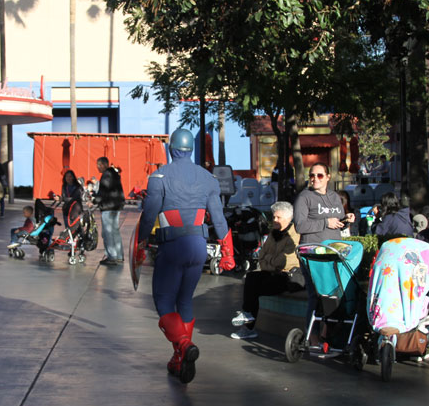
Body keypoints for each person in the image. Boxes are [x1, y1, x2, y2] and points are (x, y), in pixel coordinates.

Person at [138, 128, 229, 384]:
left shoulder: (159, 177)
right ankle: (178, 358)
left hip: (172, 247)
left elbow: (149, 215)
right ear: (191, 150)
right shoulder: (208, 178)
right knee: (185, 301)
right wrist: (227, 251)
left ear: (171, 148)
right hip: (199, 248)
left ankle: (184, 344)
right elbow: (219, 219)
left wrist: (141, 240)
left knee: (164, 302)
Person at [230, 201, 300, 340]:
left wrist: (270, 261)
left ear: (288, 219)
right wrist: (271, 261)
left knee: (255, 288)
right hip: (272, 272)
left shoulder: (294, 235)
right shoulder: (274, 234)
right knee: (251, 278)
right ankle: (248, 317)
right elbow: (261, 257)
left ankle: (248, 322)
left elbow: (284, 262)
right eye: (273, 217)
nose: (274, 220)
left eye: (278, 218)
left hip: (287, 276)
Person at [292, 163, 345, 336]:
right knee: (316, 295)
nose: (315, 179)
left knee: (332, 295)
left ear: (328, 177)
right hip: (312, 253)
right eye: (312, 175)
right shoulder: (304, 197)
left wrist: (348, 219)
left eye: (320, 175)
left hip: (333, 253)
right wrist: (325, 222)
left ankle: (328, 334)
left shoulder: (334, 196)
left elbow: (338, 221)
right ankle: (312, 336)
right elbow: (299, 226)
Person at [94, 156, 125, 265]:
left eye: (98, 165)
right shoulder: (115, 174)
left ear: (102, 165)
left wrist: (94, 201)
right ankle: (119, 255)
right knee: (115, 231)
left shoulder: (106, 175)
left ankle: (112, 256)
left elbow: (103, 191)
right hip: (116, 206)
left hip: (108, 206)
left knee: (108, 232)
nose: (97, 168)